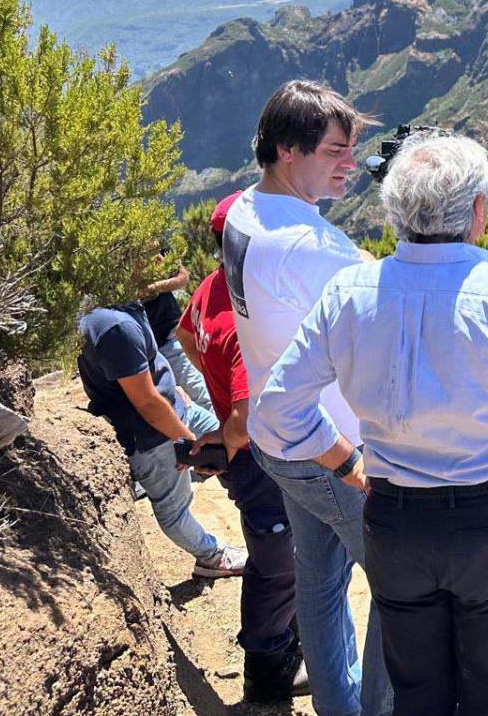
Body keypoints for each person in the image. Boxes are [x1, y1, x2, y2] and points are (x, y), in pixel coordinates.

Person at [256, 132, 488, 715]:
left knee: (417, 697)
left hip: (397, 522)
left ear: (394, 210)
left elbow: (276, 411)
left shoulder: (348, 294)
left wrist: (346, 463)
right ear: (478, 211)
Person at [221, 80, 394, 716]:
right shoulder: (305, 247)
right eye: (335, 150)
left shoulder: (244, 210)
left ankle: (338, 704)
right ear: (287, 150)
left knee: (319, 580)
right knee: (399, 588)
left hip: (279, 439)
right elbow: (393, 308)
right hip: (332, 447)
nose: (351, 163)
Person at [175, 190, 308, 702]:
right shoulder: (246, 317)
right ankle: (268, 671)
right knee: (277, 560)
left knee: (279, 553)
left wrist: (219, 400)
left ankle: (286, 642)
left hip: (243, 454)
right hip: (260, 458)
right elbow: (248, 419)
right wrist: (229, 433)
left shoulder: (211, 288)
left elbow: (187, 337)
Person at [76, 299, 246, 579]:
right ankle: (212, 557)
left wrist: (169, 387)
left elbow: (141, 370)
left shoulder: (121, 307)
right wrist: (185, 439)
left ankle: (265, 516)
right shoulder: (114, 326)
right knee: (174, 509)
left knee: (237, 449)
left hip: (176, 411)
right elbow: (146, 403)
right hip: (154, 435)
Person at [142, 263, 214, 412]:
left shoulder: (152, 249)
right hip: (138, 349)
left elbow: (182, 276)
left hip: (168, 336)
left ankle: (224, 426)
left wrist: (153, 287)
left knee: (202, 396)